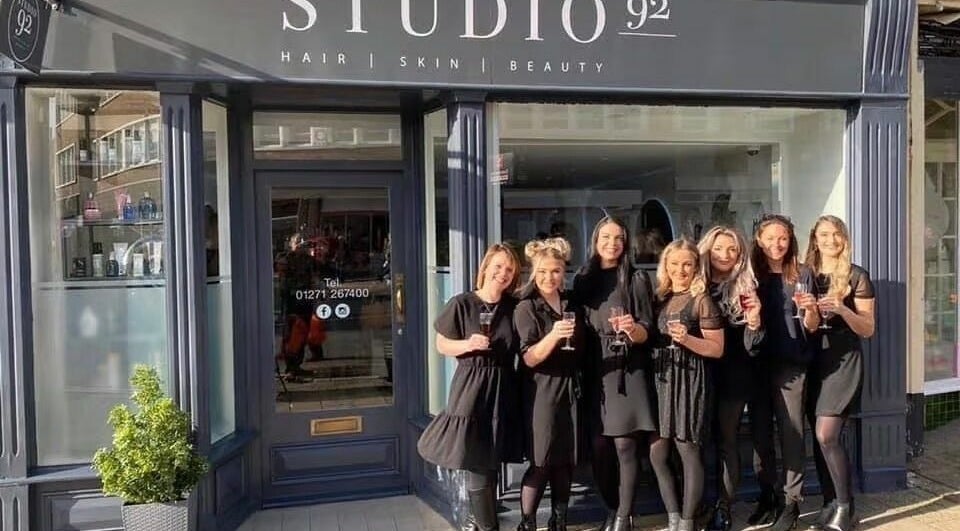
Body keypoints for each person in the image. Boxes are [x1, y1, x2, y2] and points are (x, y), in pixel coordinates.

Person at [417, 244, 523, 531]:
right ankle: (488, 526)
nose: (503, 273)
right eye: (498, 266)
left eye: (509, 269)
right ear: (485, 267)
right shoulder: (462, 303)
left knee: (491, 460)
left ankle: (477, 520)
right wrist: (467, 344)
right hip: (471, 386)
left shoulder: (514, 307)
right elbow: (441, 345)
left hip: (503, 386)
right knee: (477, 458)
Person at [573, 216, 657, 531]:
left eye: (618, 238)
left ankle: (624, 517)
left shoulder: (636, 278)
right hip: (595, 366)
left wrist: (633, 329)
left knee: (625, 445)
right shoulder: (583, 278)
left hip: (627, 365)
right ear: (595, 241)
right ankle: (612, 507)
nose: (612, 243)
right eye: (605, 237)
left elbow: (647, 328)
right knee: (598, 447)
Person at [697, 227, 772, 531]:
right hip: (698, 374)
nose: (725, 255)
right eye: (718, 249)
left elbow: (754, 346)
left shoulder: (746, 288)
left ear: (741, 254)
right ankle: (699, 504)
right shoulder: (695, 284)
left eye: (732, 249)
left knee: (726, 440)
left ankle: (723, 507)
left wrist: (754, 323)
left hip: (735, 373)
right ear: (707, 251)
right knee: (698, 442)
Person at [804, 216, 876, 531]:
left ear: (844, 238)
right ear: (814, 238)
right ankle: (830, 503)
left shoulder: (857, 275)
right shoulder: (806, 274)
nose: (830, 240)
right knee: (818, 438)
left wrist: (844, 309)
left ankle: (846, 508)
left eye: (836, 234)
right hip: (812, 360)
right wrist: (810, 310)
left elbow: (868, 328)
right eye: (824, 234)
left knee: (827, 434)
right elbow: (808, 326)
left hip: (843, 359)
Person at [648, 239, 725, 531]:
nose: (680, 270)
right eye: (674, 264)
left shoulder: (702, 300)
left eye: (687, 264)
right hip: (662, 381)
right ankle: (673, 515)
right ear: (665, 266)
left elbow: (717, 349)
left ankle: (688, 521)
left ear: (696, 267)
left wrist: (687, 339)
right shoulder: (661, 297)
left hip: (690, 379)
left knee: (687, 450)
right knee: (657, 453)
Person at [751, 214, 820, 531]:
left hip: (791, 363)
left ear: (790, 240)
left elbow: (812, 326)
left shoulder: (802, 273)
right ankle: (767, 496)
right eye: (770, 238)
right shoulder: (751, 274)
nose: (776, 244)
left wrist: (811, 310)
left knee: (791, 435)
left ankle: (791, 502)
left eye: (783, 238)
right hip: (755, 363)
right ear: (759, 240)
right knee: (760, 435)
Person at [513, 237, 581, 531]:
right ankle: (527, 523)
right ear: (533, 272)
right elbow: (529, 357)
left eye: (555, 271)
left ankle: (559, 521)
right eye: (542, 271)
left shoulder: (571, 303)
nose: (549, 277)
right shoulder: (526, 307)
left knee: (565, 461)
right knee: (541, 461)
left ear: (564, 271)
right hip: (542, 391)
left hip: (571, 389)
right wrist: (554, 335)